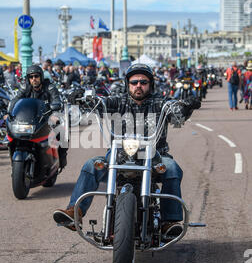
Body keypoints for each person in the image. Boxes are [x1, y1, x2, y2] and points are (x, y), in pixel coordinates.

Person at [53, 63, 201, 237]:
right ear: (128, 84)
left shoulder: (160, 104)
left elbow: (177, 114)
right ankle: (74, 212)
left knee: (172, 167)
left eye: (143, 82)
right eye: (134, 82)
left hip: (154, 157)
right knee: (92, 165)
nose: (139, 85)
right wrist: (80, 97)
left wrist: (187, 105)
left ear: (150, 85)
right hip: (118, 157)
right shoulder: (117, 101)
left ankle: (169, 222)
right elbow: (97, 103)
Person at [8, 65, 67, 169]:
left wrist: (55, 113)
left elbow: (56, 99)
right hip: (31, 120)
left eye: (36, 76)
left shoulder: (49, 87)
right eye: (31, 77)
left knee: (61, 131)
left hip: (46, 117)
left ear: (41, 77)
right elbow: (16, 100)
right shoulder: (25, 88)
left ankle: (61, 158)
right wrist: (9, 112)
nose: (34, 79)